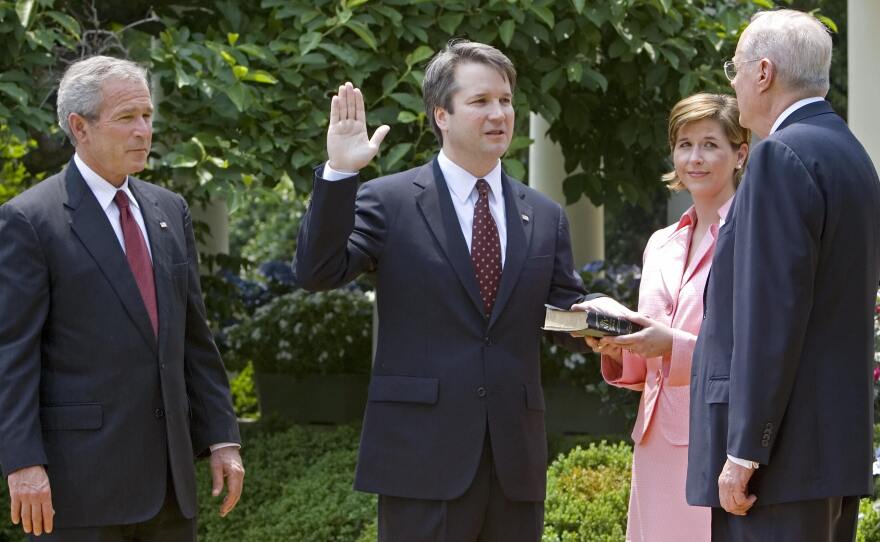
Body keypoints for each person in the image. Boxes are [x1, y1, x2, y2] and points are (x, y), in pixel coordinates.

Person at [292, 40, 620, 542]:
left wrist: (599, 320)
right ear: (441, 114)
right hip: (421, 459)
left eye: (506, 100)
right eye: (481, 101)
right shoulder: (390, 199)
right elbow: (317, 271)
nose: (499, 114)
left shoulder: (543, 214)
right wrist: (340, 174)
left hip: (514, 462)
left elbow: (558, 310)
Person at [0, 56, 244, 541]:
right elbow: (12, 354)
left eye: (148, 117)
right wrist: (22, 462)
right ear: (79, 127)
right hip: (81, 487)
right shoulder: (30, 220)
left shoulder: (169, 210)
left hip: (171, 486)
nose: (143, 131)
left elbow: (195, 338)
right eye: (127, 118)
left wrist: (222, 437)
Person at [685, 9, 880, 541]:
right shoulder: (852, 154)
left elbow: (769, 317)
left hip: (778, 465)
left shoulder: (779, 155)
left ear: (764, 73)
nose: (734, 82)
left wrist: (745, 450)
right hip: (829, 453)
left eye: (736, 68)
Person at [581, 93, 748, 541]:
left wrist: (671, 345)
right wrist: (620, 347)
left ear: (740, 153)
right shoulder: (660, 243)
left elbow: (753, 348)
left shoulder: (751, 237)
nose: (694, 157)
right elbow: (649, 362)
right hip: (653, 439)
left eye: (711, 144)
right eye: (684, 144)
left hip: (720, 439)